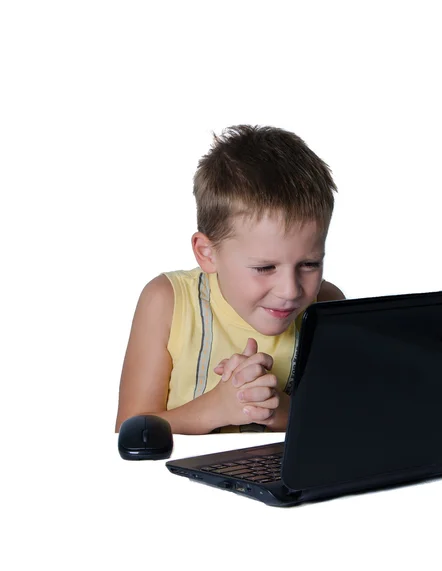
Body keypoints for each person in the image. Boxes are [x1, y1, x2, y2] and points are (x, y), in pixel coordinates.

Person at [115, 125, 345, 434]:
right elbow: (130, 432)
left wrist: (276, 409)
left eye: (310, 264)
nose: (290, 290)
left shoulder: (327, 304)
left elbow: (339, 422)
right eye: (265, 268)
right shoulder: (166, 301)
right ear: (207, 253)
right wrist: (218, 408)